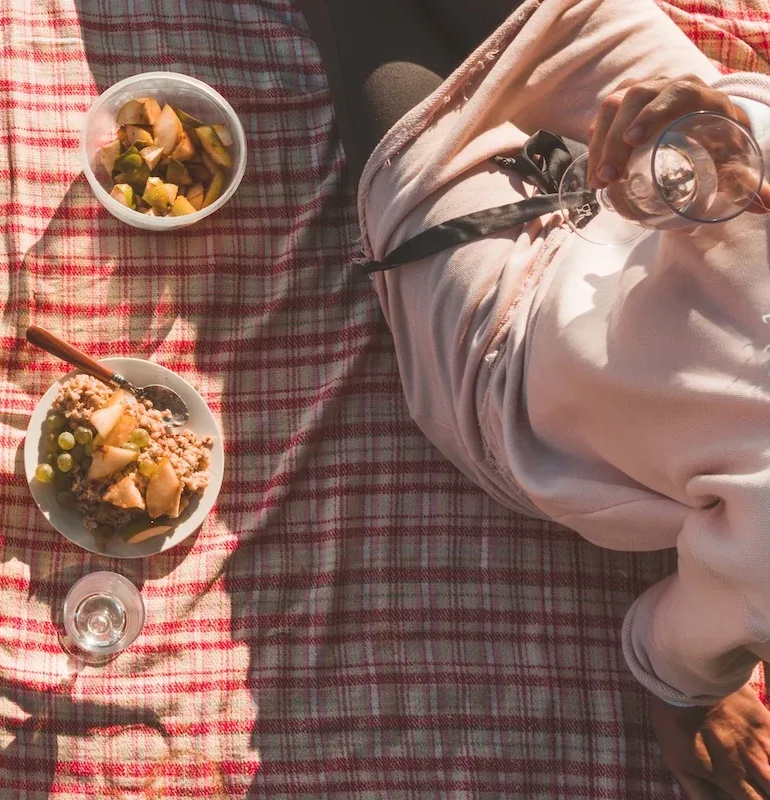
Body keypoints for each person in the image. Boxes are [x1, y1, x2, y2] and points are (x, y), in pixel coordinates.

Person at [302, 0, 770, 797]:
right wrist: (732, 133)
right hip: (678, 172)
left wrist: (692, 691)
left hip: (508, 344)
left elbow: (679, 643)